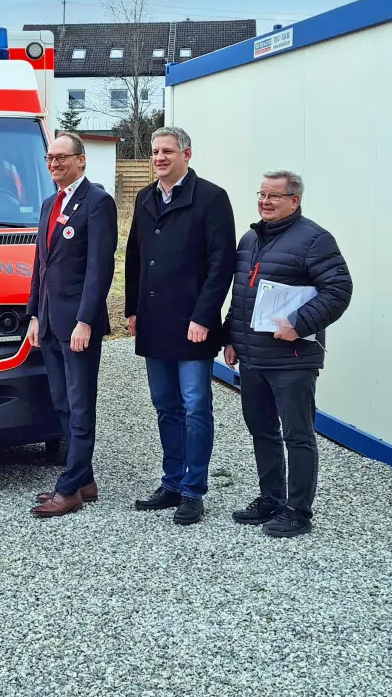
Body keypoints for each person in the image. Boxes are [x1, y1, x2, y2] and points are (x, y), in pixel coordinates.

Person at [223, 169, 352, 538]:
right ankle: (271, 498)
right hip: (252, 357)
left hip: (292, 359)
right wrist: (231, 338)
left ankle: (298, 511)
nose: (264, 201)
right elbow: (241, 294)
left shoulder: (315, 240)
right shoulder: (250, 239)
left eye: (274, 196)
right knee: (261, 429)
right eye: (261, 194)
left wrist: (298, 323)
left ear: (294, 200)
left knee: (297, 435)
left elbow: (338, 290)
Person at [124, 126, 236, 525]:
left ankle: (194, 491)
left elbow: (221, 265)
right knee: (165, 406)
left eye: (167, 151)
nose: (159, 158)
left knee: (195, 407)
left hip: (193, 325)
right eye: (155, 152)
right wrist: (132, 310)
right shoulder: (144, 197)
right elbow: (134, 254)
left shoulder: (211, 198)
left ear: (187, 154)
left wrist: (205, 316)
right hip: (154, 321)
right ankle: (171, 484)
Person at [25, 132, 117, 518]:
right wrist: (33, 314)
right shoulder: (50, 203)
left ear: (81, 160)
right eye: (49, 158)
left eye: (62, 157)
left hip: (78, 325)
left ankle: (69, 489)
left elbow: (100, 268)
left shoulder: (97, 202)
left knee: (80, 405)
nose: (54, 164)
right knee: (62, 402)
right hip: (48, 321)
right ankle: (84, 479)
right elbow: (40, 265)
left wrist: (85, 321)